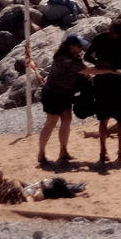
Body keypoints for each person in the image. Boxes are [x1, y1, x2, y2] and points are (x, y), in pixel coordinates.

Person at [86, 19, 121, 166]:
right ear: (110, 29)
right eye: (113, 33)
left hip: (118, 82)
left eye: (117, 34)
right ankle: (102, 152)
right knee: (103, 118)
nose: (115, 36)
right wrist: (99, 63)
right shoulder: (99, 39)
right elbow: (87, 56)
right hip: (103, 82)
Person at [38, 36, 86, 167]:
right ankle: (41, 153)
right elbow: (86, 70)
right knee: (51, 123)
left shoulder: (76, 58)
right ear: (72, 47)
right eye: (79, 46)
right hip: (53, 93)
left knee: (66, 120)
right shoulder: (64, 59)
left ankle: (63, 151)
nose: (82, 49)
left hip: (66, 93)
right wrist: (108, 71)